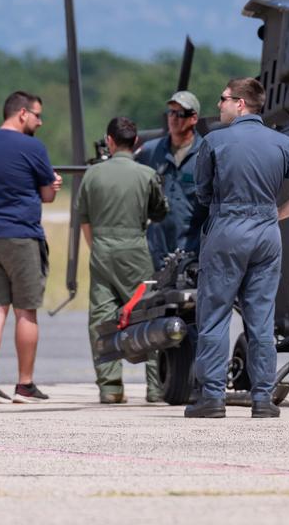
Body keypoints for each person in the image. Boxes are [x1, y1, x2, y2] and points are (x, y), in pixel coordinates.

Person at [186, 77, 289, 420]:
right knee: (261, 319)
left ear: (240, 103)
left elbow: (202, 193)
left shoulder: (214, 140)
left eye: (223, 98)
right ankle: (263, 398)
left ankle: (212, 397)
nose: (219, 105)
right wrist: (279, 213)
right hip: (266, 232)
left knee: (215, 315)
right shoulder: (283, 143)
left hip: (227, 229)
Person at [0, 90, 62, 405]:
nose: (40, 122)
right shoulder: (33, 147)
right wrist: (53, 184)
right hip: (20, 234)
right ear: (22, 113)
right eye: (37, 115)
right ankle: (25, 384)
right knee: (26, 310)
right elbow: (47, 195)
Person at [77, 117, 168, 403]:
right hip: (135, 250)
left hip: (101, 249)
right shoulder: (146, 174)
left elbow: (84, 219)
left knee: (102, 316)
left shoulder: (92, 175)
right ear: (136, 142)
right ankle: (156, 387)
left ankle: (110, 387)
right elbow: (160, 212)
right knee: (148, 314)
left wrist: (97, 248)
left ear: (110, 141)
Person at [137, 89, 204, 402]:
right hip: (159, 250)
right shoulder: (150, 152)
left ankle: (198, 382)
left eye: (181, 114)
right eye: (171, 113)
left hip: (193, 251)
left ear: (193, 119)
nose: (174, 119)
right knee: (156, 316)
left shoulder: (206, 153)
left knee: (195, 318)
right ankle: (159, 385)